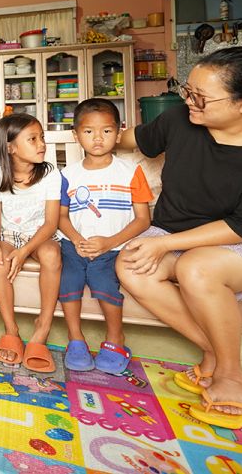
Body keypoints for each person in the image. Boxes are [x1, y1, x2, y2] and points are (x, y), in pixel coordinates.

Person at [116, 44, 242, 429]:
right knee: (130, 263)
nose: (189, 101)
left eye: (201, 96)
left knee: (197, 267)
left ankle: (230, 373)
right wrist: (102, 138)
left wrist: (163, 243)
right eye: (187, 89)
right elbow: (134, 138)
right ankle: (214, 350)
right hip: (174, 231)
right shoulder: (182, 120)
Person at [57, 99, 152, 374]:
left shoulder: (131, 172)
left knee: (104, 283)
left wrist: (109, 243)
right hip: (74, 244)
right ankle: (76, 339)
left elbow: (144, 219)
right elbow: (61, 217)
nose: (97, 138)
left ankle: (115, 339)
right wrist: (76, 240)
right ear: (76, 135)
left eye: (107, 131)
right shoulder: (68, 175)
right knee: (68, 280)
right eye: (88, 132)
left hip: (114, 248)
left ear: (119, 133)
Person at [0, 113, 62, 373]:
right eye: (33, 139)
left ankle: (42, 329)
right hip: (9, 234)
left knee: (52, 256)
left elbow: (51, 223)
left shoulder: (50, 173)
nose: (41, 144)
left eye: (42, 138)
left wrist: (25, 251)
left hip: (40, 235)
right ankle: (11, 330)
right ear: (10, 147)